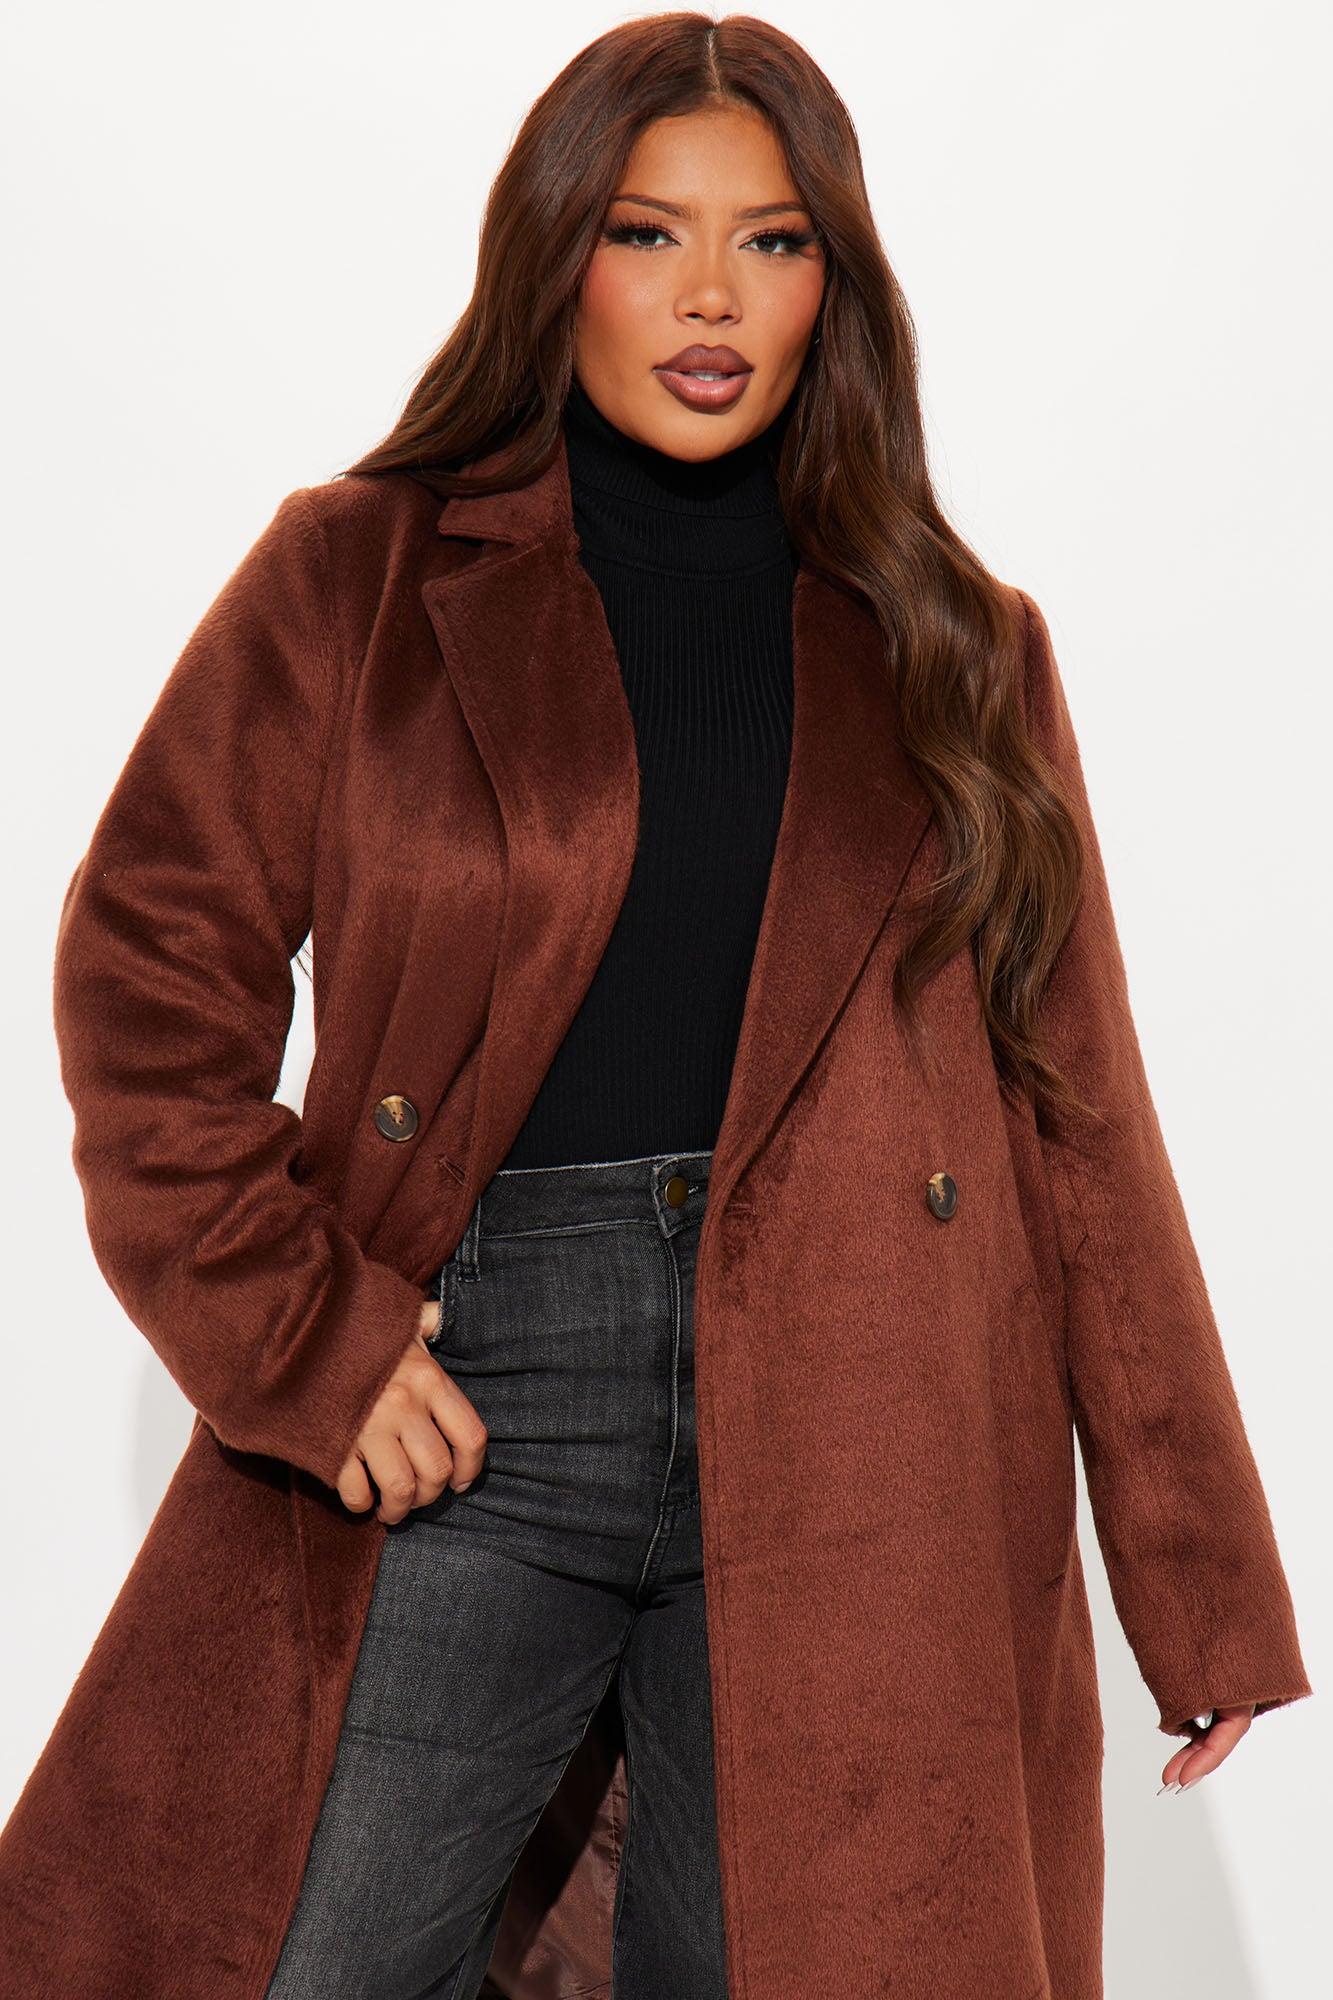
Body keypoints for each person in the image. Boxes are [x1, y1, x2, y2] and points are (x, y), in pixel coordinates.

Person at [0, 15, 1311, 2000]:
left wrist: (1195, 1577)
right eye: (646, 232)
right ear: (558, 258)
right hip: (473, 1389)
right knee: (287, 1952)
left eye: (771, 242)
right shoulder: (354, 581)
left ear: (830, 288)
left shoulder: (960, 649)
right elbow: (147, 970)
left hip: (861, 1408)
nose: (710, 295)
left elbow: (1081, 1122)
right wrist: (305, 1333)